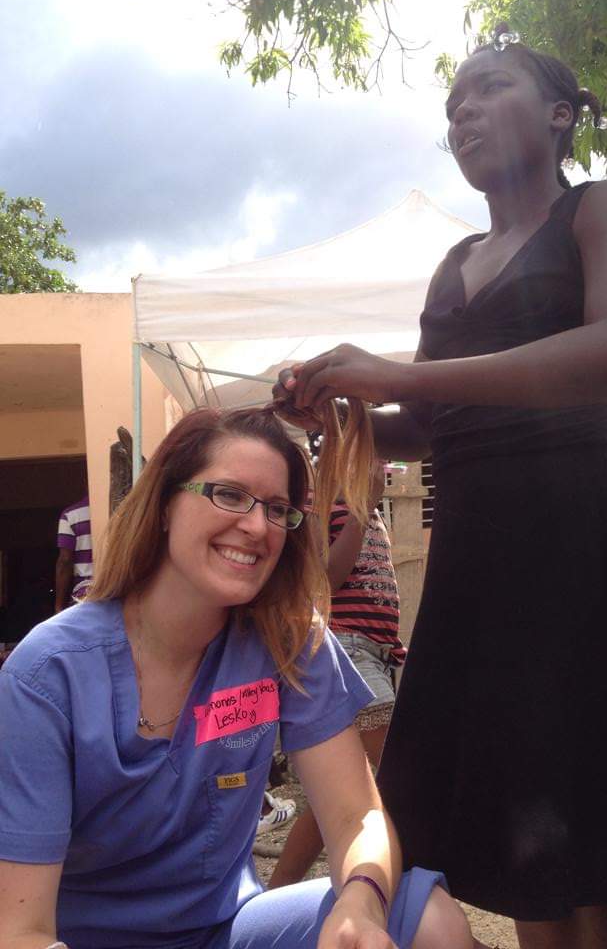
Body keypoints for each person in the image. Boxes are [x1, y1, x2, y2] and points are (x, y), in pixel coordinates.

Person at [273, 23, 607, 949]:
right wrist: (343, 416)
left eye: (488, 88)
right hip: (482, 558)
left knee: (602, 814)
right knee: (523, 823)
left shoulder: (603, 210)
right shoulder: (452, 269)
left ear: (560, 116)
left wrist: (399, 375)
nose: (463, 112)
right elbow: (432, 424)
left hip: (585, 534)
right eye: (451, 107)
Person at [0, 407, 476, 949]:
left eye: (278, 509)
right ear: (162, 505)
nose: (257, 527)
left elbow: (356, 814)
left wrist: (361, 900)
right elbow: (21, 931)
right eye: (228, 494)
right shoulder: (46, 675)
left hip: (227, 930)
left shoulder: (287, 639)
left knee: (433, 923)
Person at [269, 460, 405, 888]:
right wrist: (362, 509)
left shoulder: (368, 507)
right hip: (346, 649)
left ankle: (281, 889)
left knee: (355, 786)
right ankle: (390, 883)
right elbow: (323, 579)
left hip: (372, 653)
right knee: (396, 773)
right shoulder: (320, 500)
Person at [55, 493, 93, 610]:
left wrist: (59, 607)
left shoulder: (70, 515)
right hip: (118, 590)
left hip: (85, 595)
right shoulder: (123, 511)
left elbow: (65, 561)